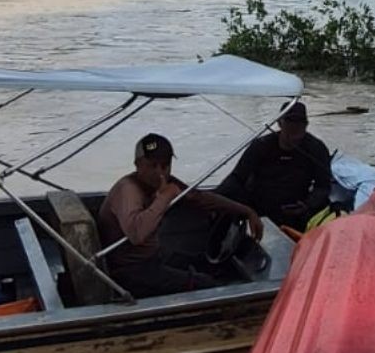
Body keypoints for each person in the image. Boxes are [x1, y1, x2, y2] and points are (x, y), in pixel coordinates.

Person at [98, 133, 263, 299]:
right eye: (152, 165)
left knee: (206, 264)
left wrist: (245, 211)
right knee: (206, 285)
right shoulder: (128, 189)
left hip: (154, 257)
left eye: (165, 165)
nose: (159, 172)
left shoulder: (165, 183)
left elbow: (200, 198)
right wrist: (164, 197)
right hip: (129, 270)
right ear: (137, 165)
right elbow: (136, 233)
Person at [215, 101, 333, 228]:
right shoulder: (261, 145)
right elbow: (237, 178)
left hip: (297, 207)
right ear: (279, 123)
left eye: (300, 123)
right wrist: (215, 197)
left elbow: (323, 186)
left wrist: (308, 204)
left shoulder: (316, 148)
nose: (294, 127)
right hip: (260, 206)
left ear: (306, 125)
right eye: (289, 122)